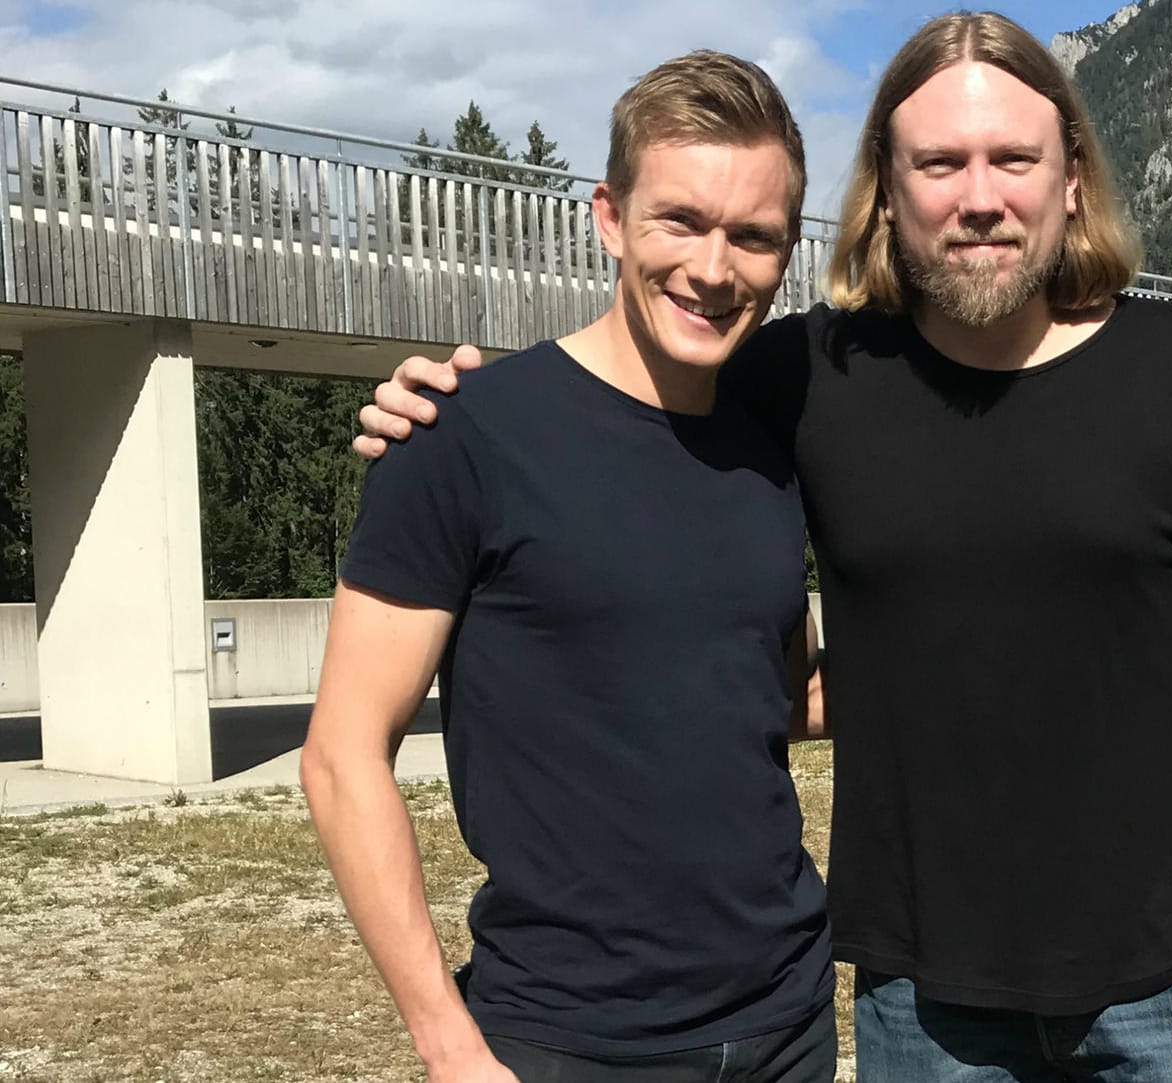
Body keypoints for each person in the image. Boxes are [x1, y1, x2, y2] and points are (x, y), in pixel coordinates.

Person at [356, 13, 1172, 1082]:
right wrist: (450, 402)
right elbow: (630, 391)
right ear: (889, 187)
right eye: (939, 162)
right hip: (923, 1003)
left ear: (1070, 180)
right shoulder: (811, 377)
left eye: (1014, 158)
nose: (978, 196)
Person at [301, 52, 836, 1083]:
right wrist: (448, 1044)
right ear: (608, 216)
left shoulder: (772, 448)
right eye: (680, 220)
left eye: (753, 236)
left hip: (789, 1025)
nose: (715, 269)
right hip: (563, 1041)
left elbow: (776, 697)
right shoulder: (465, 435)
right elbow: (340, 756)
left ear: (785, 251)